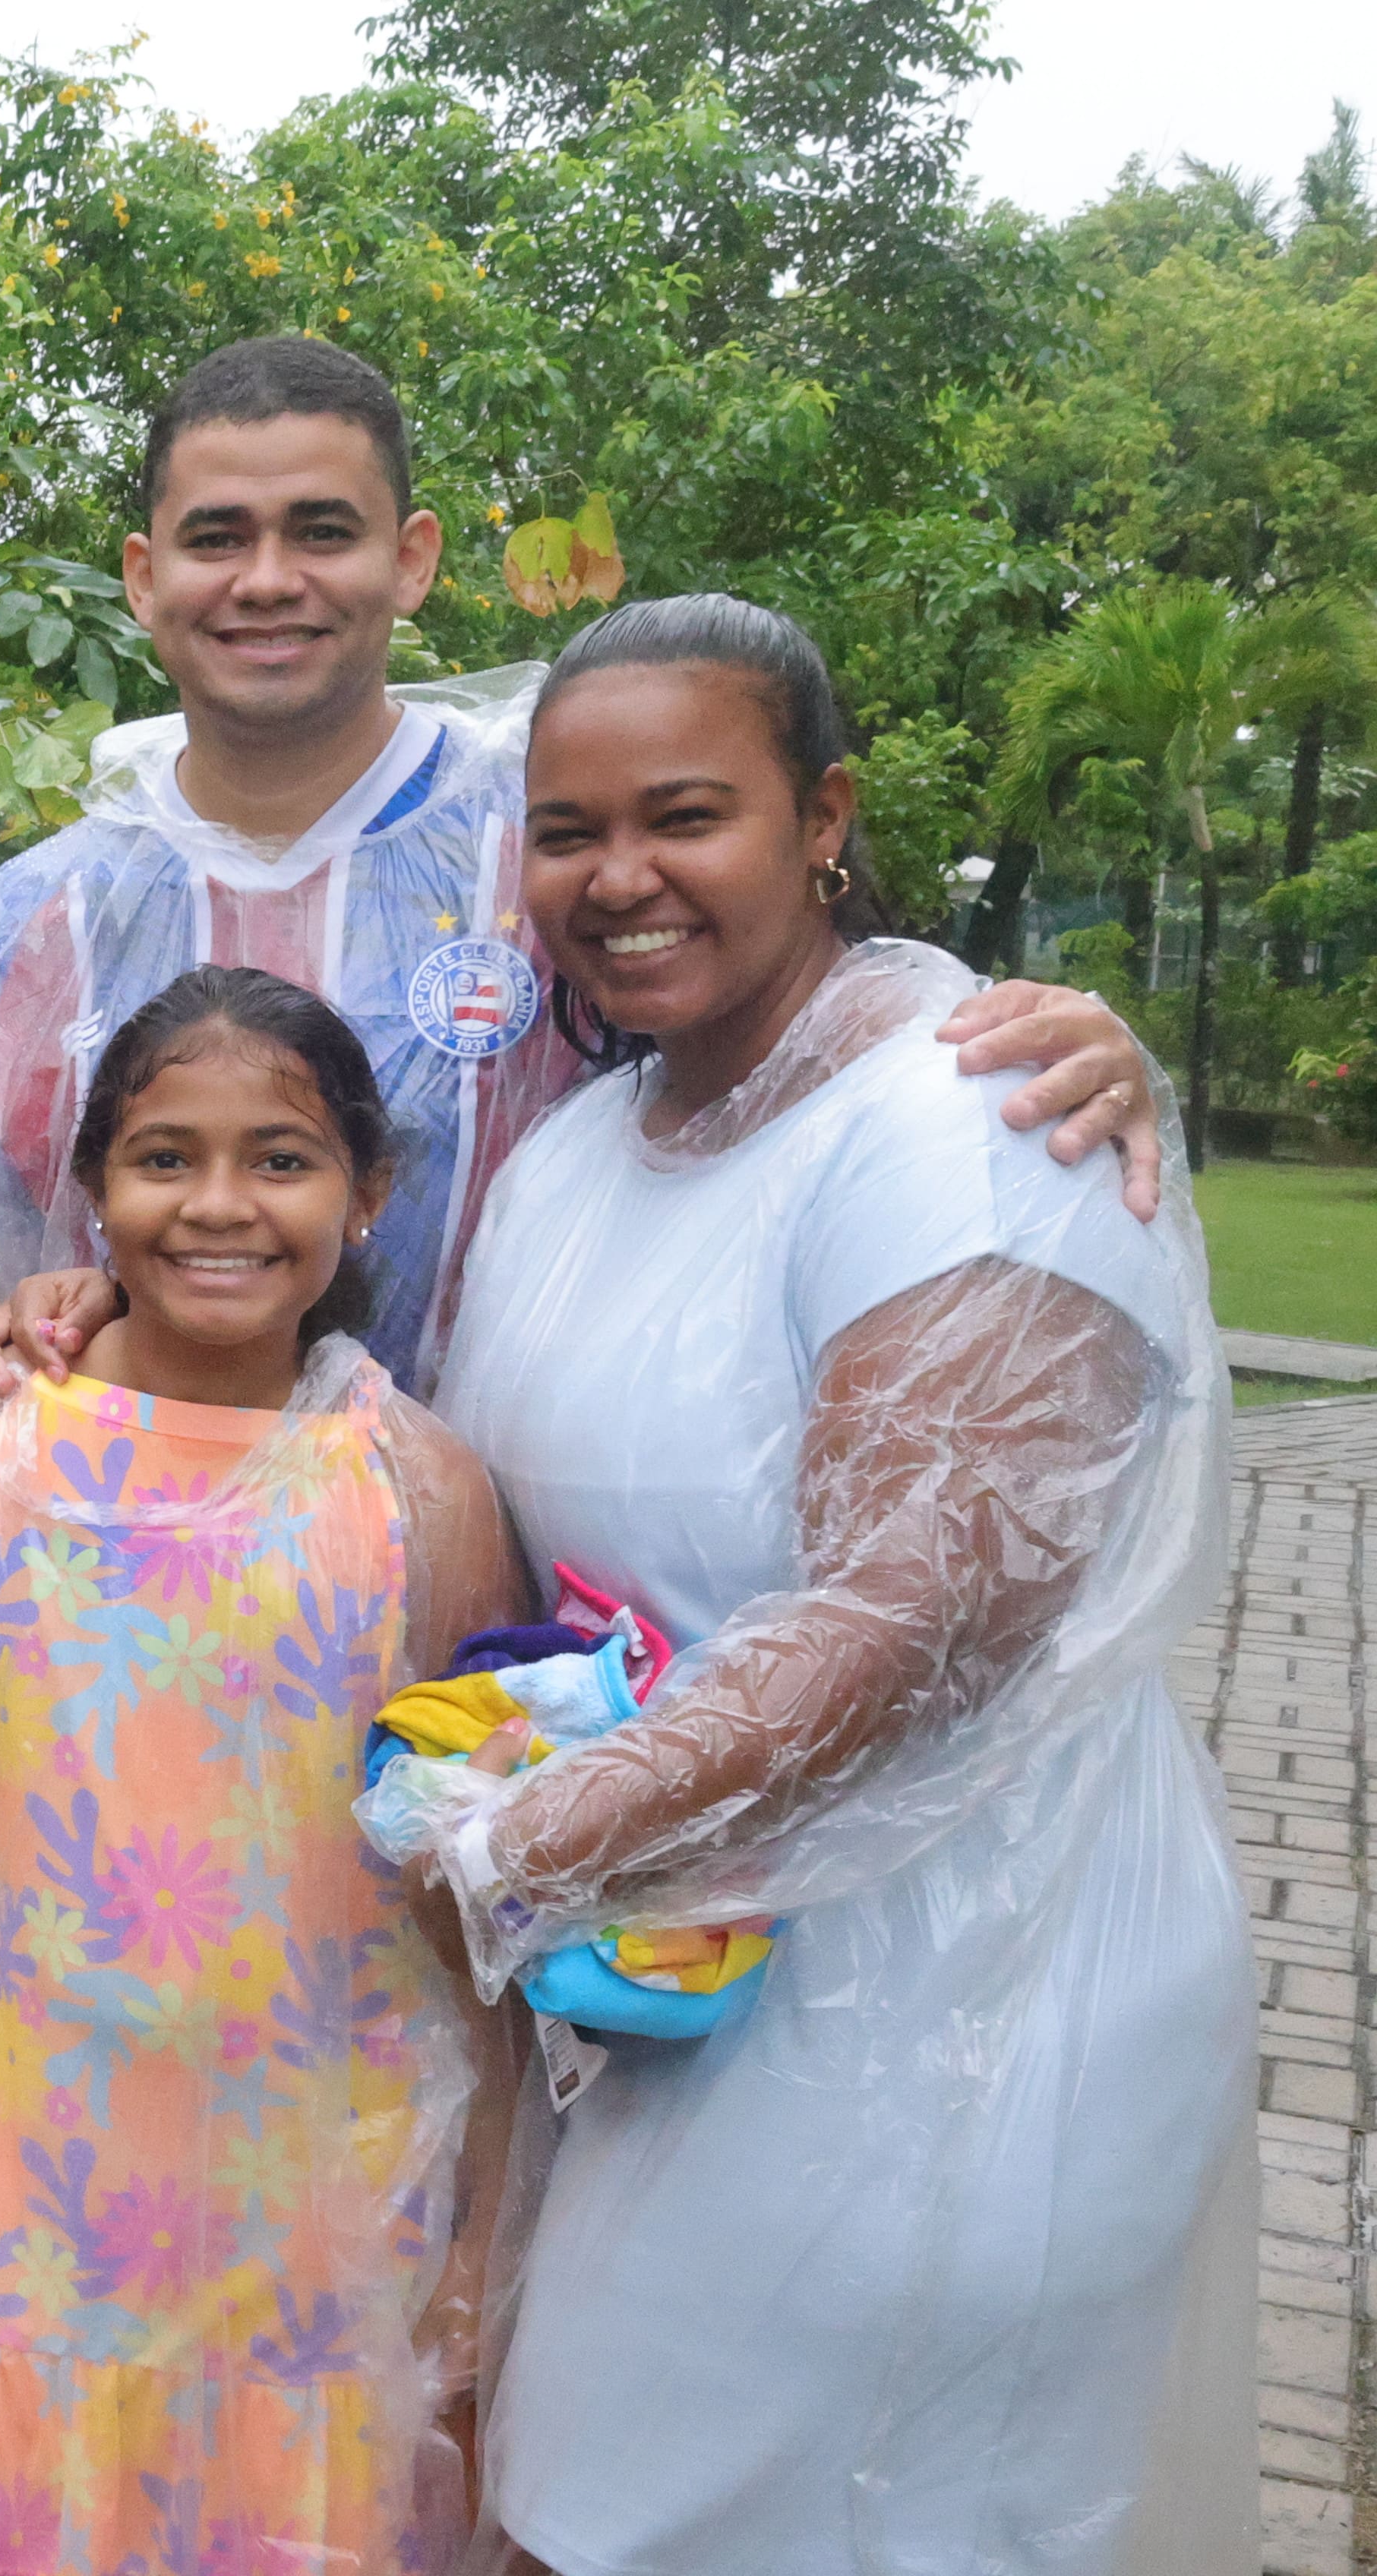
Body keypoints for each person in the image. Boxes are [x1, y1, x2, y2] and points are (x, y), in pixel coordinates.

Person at [360, 596, 1255, 2571]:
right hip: (677, 1987)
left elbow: (924, 1609)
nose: (621, 879)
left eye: (687, 815)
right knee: (592, 2502)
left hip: (961, 2002)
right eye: (569, 830)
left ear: (826, 815)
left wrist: (520, 1841)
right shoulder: (586, 1148)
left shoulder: (972, 1116)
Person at [0, 335, 1164, 1555]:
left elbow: (785, 1047)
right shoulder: (41, 916)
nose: (268, 579)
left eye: (323, 530)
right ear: (147, 575)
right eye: (219, 538)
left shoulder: (552, 851)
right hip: (121, 1600)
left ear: (413, 558)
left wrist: (1039, 1040)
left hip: (522, 1614)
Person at [0, 967, 528, 2576]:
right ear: (93, 1193)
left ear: (368, 1191)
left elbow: (474, 1851)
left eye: (280, 1158)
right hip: (25, 2129)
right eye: (163, 1156)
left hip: (316, 2158)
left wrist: (479, 2203)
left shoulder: (416, 1485)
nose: (220, 1205)